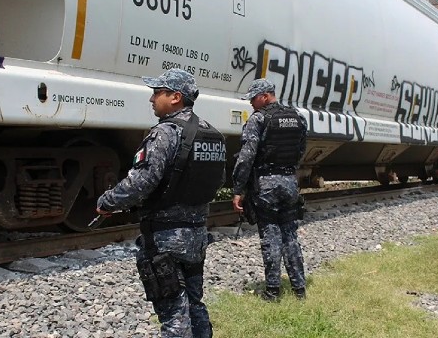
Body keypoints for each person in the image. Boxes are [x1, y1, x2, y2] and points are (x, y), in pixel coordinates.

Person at [96, 68, 225, 337]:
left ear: (176, 97)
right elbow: (219, 180)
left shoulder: (165, 133)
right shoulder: (213, 134)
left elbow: (142, 181)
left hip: (165, 237)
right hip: (197, 234)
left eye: (157, 93)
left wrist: (107, 202)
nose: (151, 99)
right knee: (194, 303)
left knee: (173, 316)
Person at [232, 78, 308, 301]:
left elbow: (246, 157)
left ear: (265, 96)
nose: (251, 104)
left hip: (266, 184)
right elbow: (301, 149)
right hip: (289, 182)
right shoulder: (297, 117)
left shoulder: (259, 119)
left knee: (270, 236)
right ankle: (299, 289)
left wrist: (238, 189)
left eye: (253, 99)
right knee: (290, 236)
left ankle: (273, 291)